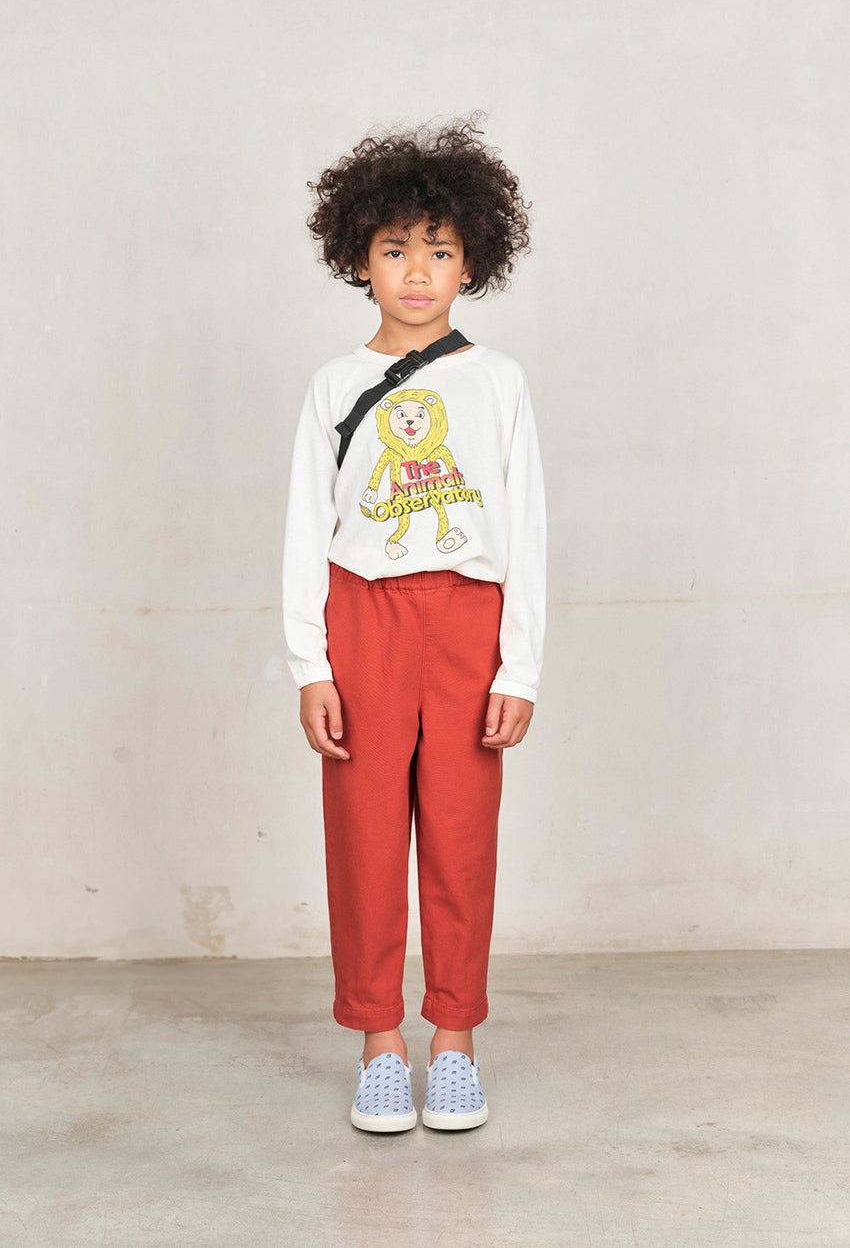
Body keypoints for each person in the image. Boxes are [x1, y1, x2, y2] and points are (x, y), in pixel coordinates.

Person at [283, 119, 546, 1133]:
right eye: (396, 249)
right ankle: (379, 1044)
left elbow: (526, 528)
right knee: (361, 834)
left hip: (469, 618)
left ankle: (455, 1039)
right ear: (360, 259)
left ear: (472, 260)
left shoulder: (498, 381)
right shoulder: (332, 386)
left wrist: (518, 667)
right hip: (364, 614)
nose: (419, 271)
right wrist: (311, 663)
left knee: (461, 834)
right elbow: (306, 530)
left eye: (439, 249)